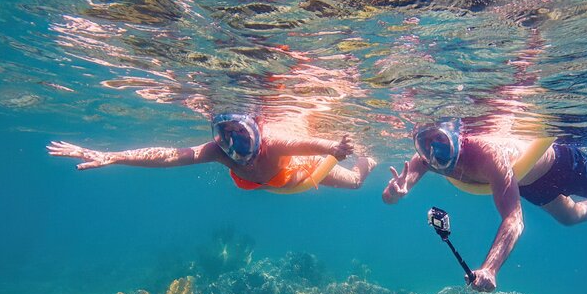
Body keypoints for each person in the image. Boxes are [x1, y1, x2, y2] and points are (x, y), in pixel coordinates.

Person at [382, 118, 587, 292]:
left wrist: (490, 268)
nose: (434, 153)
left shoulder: (487, 155)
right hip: (531, 182)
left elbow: (514, 220)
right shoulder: (427, 158)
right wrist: (396, 193)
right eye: (424, 145)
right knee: (571, 216)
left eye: (440, 142)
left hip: (566, 165)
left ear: (457, 136)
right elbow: (406, 178)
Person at [48, 113, 376, 192]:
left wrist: (336, 148)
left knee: (356, 181)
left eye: (242, 138)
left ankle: (370, 159)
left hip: (301, 174)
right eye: (224, 137)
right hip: (272, 182)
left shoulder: (274, 144)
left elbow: (311, 145)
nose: (233, 148)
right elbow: (169, 155)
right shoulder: (219, 152)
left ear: (258, 135)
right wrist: (112, 156)